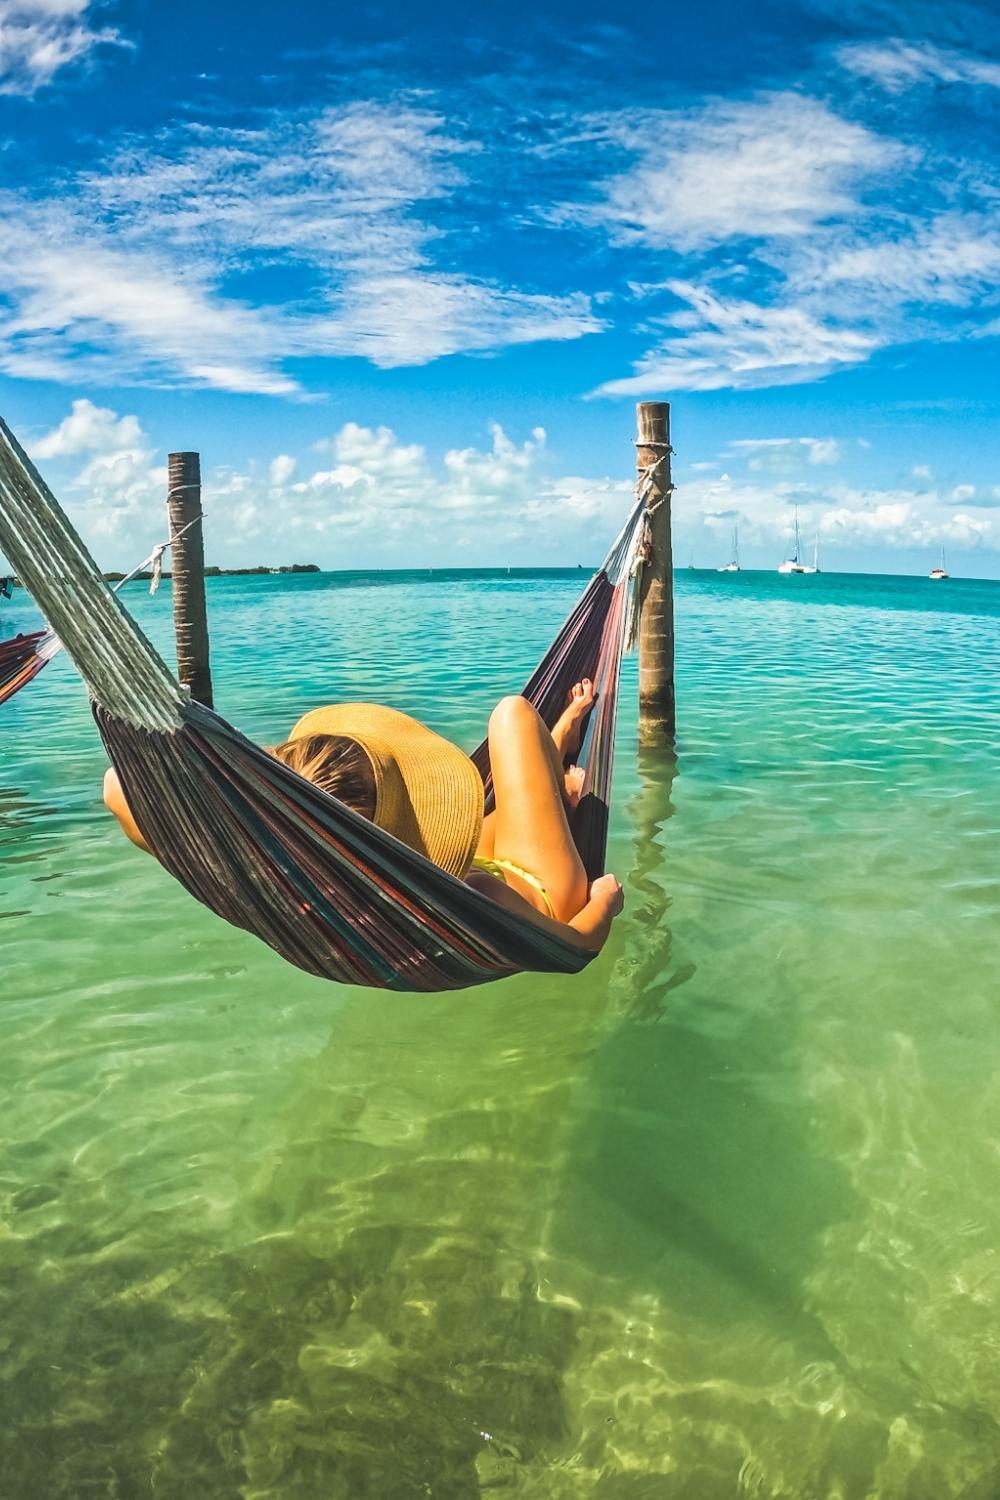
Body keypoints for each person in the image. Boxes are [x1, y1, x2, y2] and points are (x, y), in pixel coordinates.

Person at [103, 679, 624, 953]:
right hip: (538, 892)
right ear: (404, 825)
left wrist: (245, 798)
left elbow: (117, 787)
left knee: (509, 806)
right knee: (513, 715)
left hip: (447, 878)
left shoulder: (261, 876)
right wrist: (603, 901)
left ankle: (556, 782)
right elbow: (578, 945)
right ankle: (560, 760)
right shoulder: (476, 900)